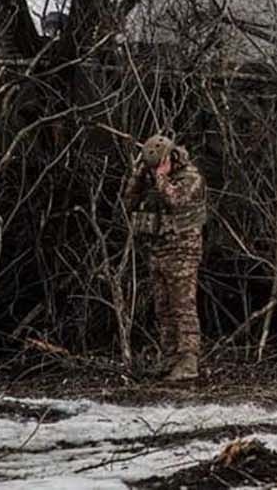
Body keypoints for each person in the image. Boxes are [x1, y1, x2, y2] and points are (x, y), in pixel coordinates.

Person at [124, 134, 207, 380]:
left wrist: (161, 175)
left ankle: (189, 361)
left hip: (183, 251)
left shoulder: (191, 177)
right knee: (163, 308)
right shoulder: (152, 179)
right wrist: (138, 176)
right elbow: (129, 202)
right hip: (158, 249)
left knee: (183, 307)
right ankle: (170, 357)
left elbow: (175, 200)